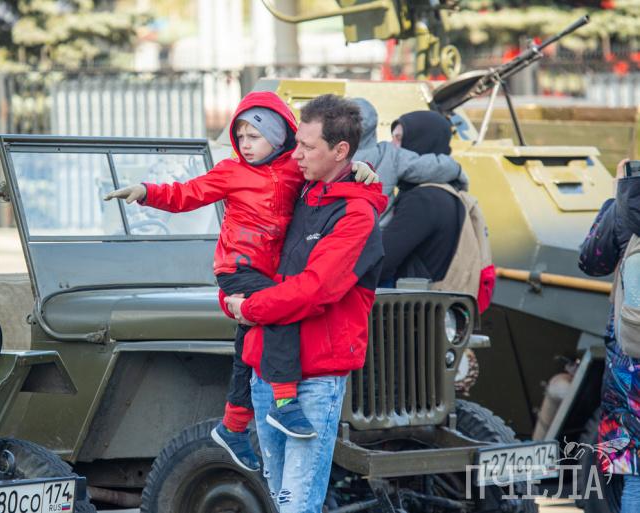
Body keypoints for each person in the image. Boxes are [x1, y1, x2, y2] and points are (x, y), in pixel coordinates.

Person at [104, 91, 378, 474]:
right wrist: (148, 192)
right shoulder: (231, 172)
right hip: (238, 266)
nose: (245, 144)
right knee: (281, 310)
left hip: (270, 269)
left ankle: (232, 427)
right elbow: (188, 193)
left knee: (248, 344)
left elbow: (328, 176)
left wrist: (360, 168)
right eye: (241, 136)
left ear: (279, 138)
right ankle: (285, 401)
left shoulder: (294, 168)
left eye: (255, 136)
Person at [225, 94, 386, 513]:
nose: (295, 155)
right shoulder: (297, 191)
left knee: (296, 504)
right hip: (266, 367)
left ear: (341, 151)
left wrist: (248, 309)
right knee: (283, 499)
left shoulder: (356, 215)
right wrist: (231, 298)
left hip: (314, 376)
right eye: (296, 143)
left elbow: (317, 289)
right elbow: (249, 251)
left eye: (307, 147)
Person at [579, 159, 640, 512]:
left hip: (629, 363)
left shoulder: (623, 206)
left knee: (633, 473)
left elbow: (591, 261)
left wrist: (617, 197)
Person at [377, 111, 465, 287]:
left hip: (412, 300)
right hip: (431, 297)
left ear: (420, 141)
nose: (392, 146)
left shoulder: (422, 199)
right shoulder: (444, 189)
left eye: (399, 138)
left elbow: (382, 262)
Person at [352, 98, 468, 196]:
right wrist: (458, 170)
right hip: (376, 216)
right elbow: (431, 167)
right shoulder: (388, 155)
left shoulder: (340, 155)